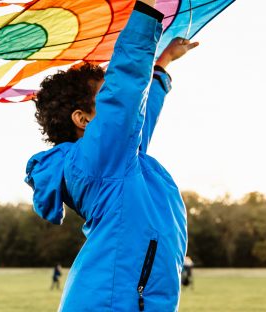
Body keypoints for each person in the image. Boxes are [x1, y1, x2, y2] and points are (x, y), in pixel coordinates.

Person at [24, 1, 197, 310]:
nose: (115, 103)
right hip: (110, 302)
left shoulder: (117, 159)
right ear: (82, 119)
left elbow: (139, 113)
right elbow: (125, 89)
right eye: (103, 97)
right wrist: (145, 11)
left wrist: (162, 65)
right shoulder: (98, 160)